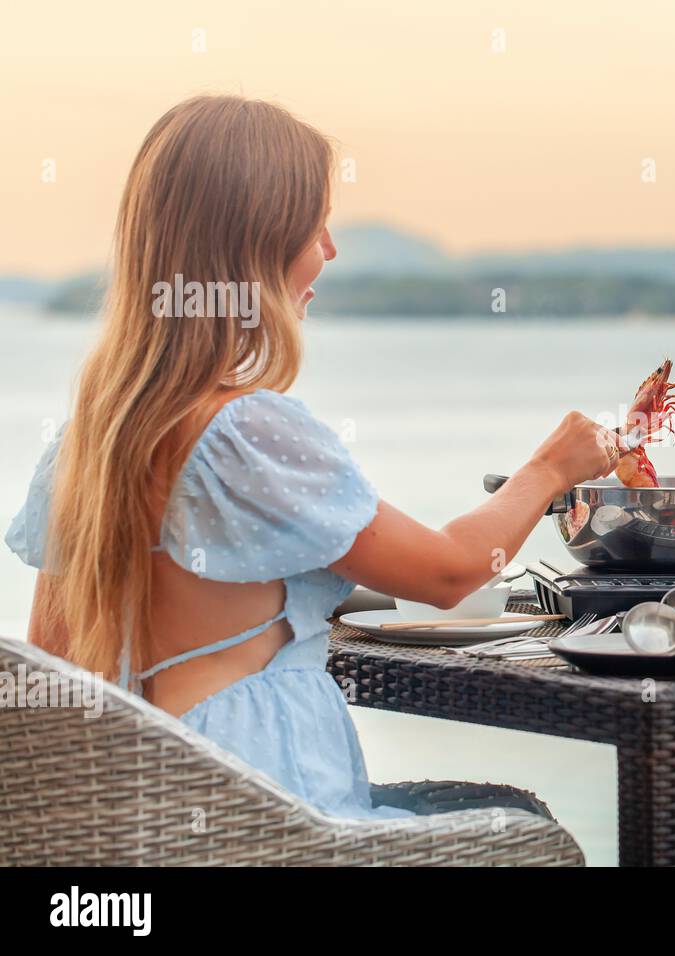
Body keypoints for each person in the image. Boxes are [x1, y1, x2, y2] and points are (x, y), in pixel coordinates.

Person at [6, 95, 620, 820]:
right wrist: (551, 467)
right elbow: (452, 572)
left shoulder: (88, 437)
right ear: (257, 244)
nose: (331, 249)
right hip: (270, 813)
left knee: (486, 805)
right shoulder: (245, 429)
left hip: (153, 815)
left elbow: (55, 655)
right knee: (525, 829)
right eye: (316, 226)